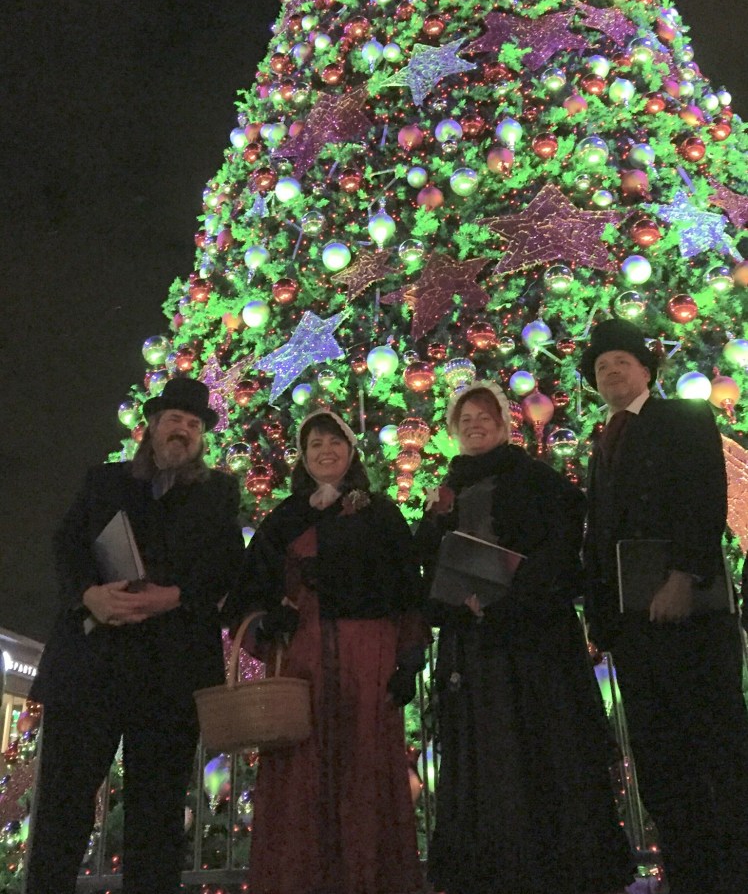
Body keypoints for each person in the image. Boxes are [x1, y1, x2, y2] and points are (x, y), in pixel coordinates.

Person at [26, 376, 245, 894]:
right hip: (91, 671)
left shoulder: (218, 493)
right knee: (64, 807)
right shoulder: (104, 481)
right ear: (151, 427)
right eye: (174, 420)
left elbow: (228, 566)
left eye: (194, 425)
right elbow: (68, 546)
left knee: (158, 817)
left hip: (169, 677)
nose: (183, 431)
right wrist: (89, 596)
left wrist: (175, 596)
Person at [416, 380, 634, 894]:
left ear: (503, 422)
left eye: (483, 416)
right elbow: (428, 559)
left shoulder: (534, 477)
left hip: (532, 642)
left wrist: (512, 594)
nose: (474, 425)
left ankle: (554, 868)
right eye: (464, 419)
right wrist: (439, 532)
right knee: (486, 755)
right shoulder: (448, 486)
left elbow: (560, 545)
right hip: (474, 646)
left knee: (542, 750)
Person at [226, 408, 426, 894]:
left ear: (352, 451)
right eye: (315, 444)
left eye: (334, 442)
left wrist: (409, 660)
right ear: (304, 455)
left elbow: (408, 590)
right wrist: (272, 617)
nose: (325, 451)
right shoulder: (284, 518)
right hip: (304, 658)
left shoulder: (380, 512)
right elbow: (247, 590)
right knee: (301, 766)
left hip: (368, 654)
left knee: (365, 764)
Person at [581, 318, 748, 894]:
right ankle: (690, 876)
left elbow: (705, 497)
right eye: (601, 368)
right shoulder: (602, 444)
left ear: (646, 370)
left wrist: (685, 574)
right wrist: (600, 618)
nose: (610, 373)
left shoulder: (684, 418)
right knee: (660, 760)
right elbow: (599, 536)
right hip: (634, 629)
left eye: (620, 362)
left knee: (715, 749)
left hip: (691, 618)